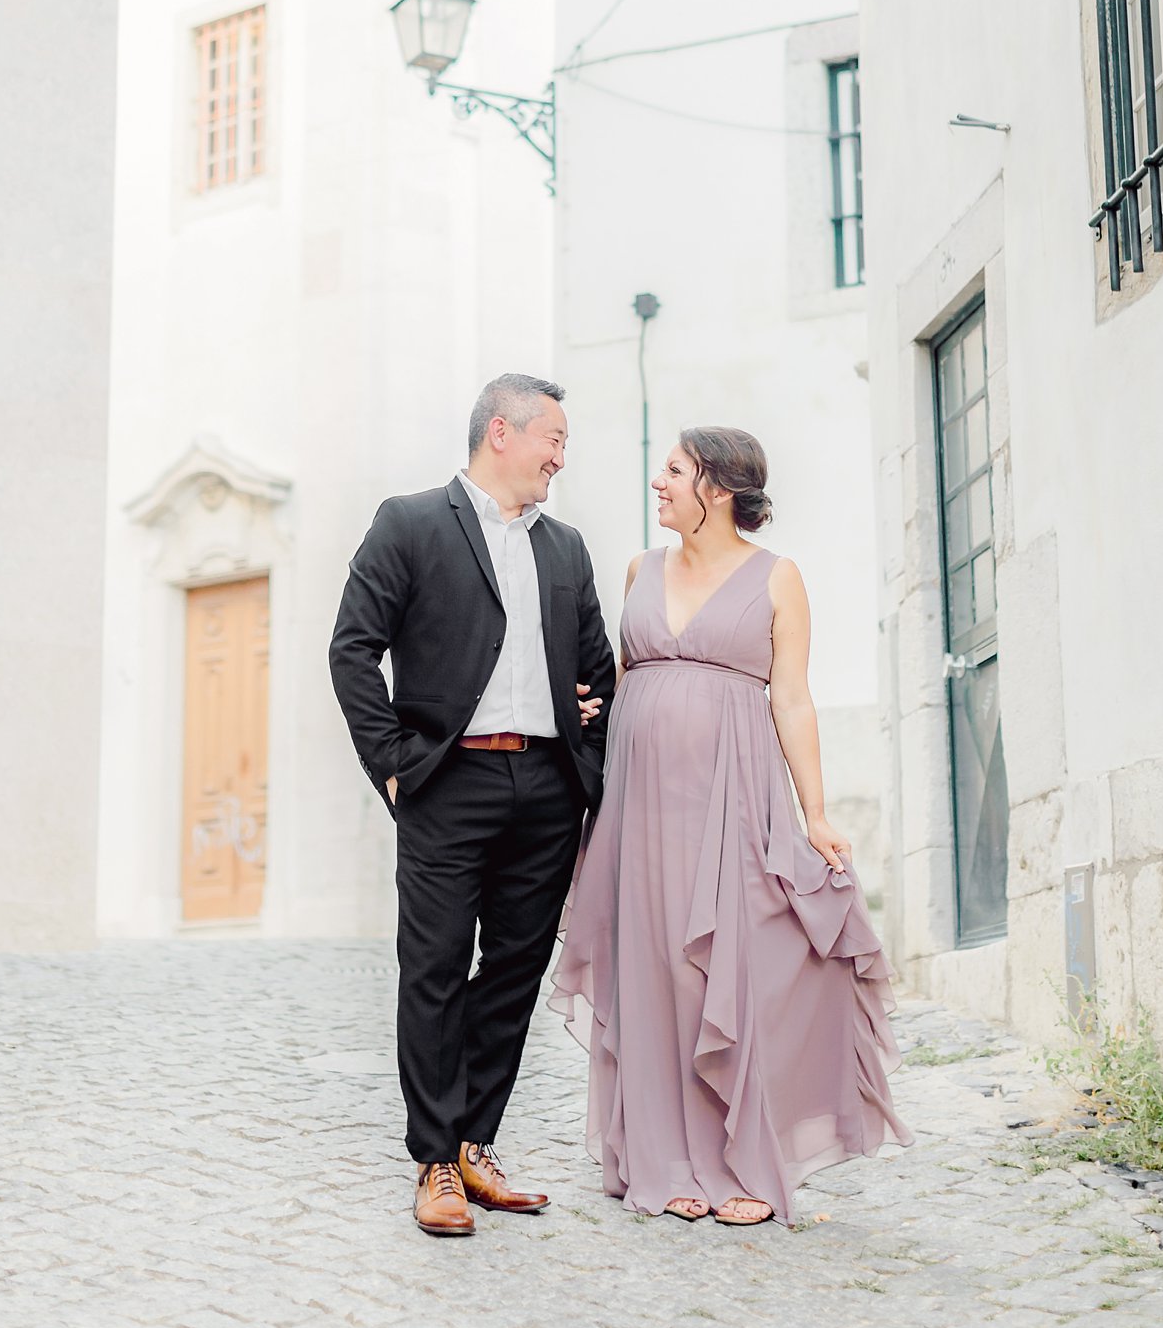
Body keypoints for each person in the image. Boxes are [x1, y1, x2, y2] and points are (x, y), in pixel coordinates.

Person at [551, 425, 911, 1226]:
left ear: (715, 487)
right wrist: (591, 707)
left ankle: (744, 1156)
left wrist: (814, 813)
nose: (660, 482)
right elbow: (620, 684)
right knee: (649, 967)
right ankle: (664, 1157)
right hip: (638, 803)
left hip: (732, 795)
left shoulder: (778, 578)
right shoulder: (640, 569)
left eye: (674, 470)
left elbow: (791, 697)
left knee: (729, 965)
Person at [328, 374, 617, 1237]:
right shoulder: (409, 522)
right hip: (446, 784)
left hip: (545, 791)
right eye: (553, 439)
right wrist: (393, 766)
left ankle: (474, 1143)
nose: (561, 457)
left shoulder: (565, 547)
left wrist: (583, 748)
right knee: (436, 967)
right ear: (502, 431)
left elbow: (599, 670)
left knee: (516, 971)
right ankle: (432, 1161)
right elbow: (352, 650)